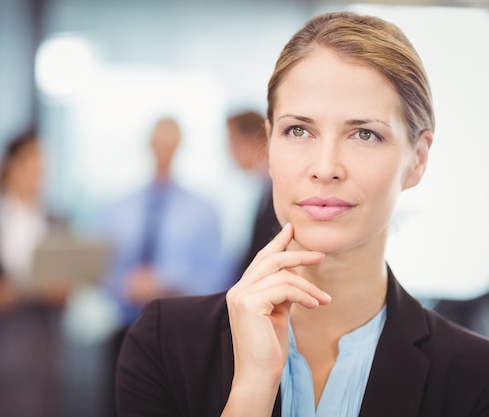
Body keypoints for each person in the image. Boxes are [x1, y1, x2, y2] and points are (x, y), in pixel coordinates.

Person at [116, 11, 489, 417]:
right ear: (269, 145)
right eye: (299, 130)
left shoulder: (474, 375)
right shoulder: (163, 342)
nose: (325, 166)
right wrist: (252, 388)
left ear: (417, 160)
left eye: (365, 134)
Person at [99, 117, 225, 416]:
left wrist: (168, 283)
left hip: (182, 339)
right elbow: (100, 270)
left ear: (179, 146)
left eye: (171, 143)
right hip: (125, 330)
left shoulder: (203, 210)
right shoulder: (117, 208)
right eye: (159, 142)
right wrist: (123, 284)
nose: (164, 150)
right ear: (149, 144)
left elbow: (218, 275)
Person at [0, 130, 68, 417]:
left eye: (41, 167)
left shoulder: (57, 222)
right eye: (30, 164)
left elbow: (66, 294)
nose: (37, 174)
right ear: (7, 165)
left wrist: (60, 292)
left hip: (40, 356)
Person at [226, 111, 281, 285]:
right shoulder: (264, 190)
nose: (228, 151)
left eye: (232, 143)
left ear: (250, 141)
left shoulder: (277, 190)